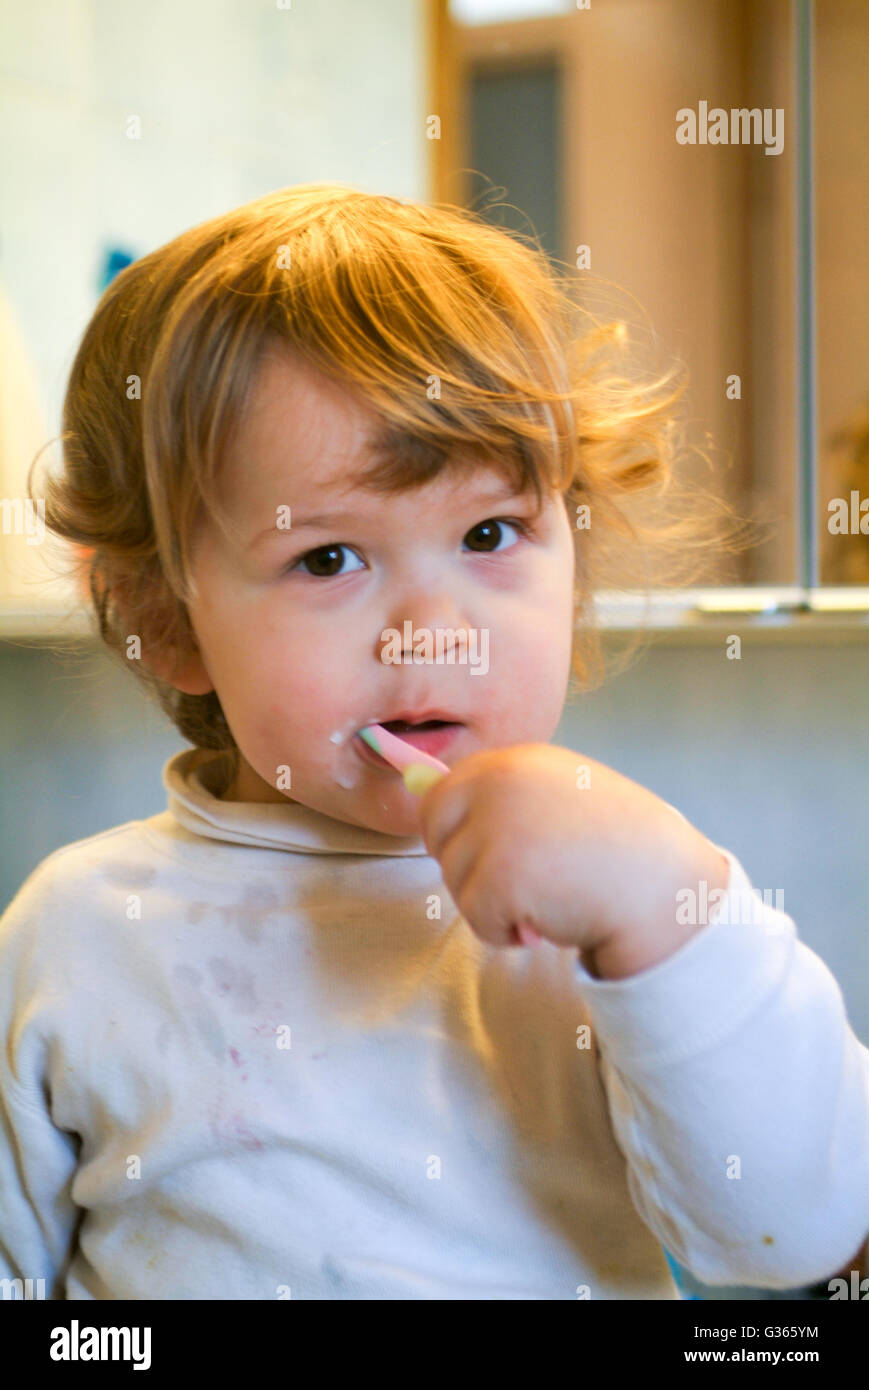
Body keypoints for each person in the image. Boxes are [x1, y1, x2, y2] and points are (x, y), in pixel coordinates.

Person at [2, 185, 867, 1300]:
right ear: (166, 619)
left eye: (489, 533)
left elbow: (802, 1231)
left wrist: (665, 910)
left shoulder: (616, 909)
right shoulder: (74, 933)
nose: (433, 629)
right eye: (327, 560)